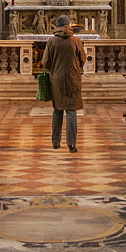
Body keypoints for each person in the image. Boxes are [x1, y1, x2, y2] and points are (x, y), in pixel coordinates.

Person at [41, 14, 85, 152]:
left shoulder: (52, 41)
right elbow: (83, 59)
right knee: (71, 111)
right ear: (69, 25)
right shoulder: (76, 41)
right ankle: (71, 144)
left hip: (57, 79)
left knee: (58, 110)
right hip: (73, 78)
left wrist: (54, 68)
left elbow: (45, 62)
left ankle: (55, 142)